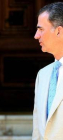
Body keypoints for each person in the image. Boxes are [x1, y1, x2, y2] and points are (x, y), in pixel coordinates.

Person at [33, 2, 63, 140]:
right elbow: (38, 132)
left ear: (59, 31)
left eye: (40, 29)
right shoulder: (42, 75)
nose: (36, 36)